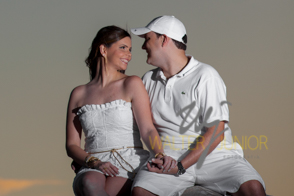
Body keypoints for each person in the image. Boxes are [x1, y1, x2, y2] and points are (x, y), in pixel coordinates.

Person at [130, 16, 266, 196]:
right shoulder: (147, 80)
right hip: (167, 156)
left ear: (164, 39)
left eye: (147, 39)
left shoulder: (206, 75)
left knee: (253, 189)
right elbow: (144, 127)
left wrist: (180, 167)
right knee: (140, 193)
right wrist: (162, 157)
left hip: (214, 157)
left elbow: (216, 131)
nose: (142, 46)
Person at [66, 26, 175, 196]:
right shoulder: (78, 93)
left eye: (130, 49)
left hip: (127, 160)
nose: (129, 54)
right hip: (92, 162)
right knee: (90, 182)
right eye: (123, 48)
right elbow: (71, 145)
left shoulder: (131, 83)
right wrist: (92, 161)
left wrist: (159, 153)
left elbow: (147, 129)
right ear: (103, 50)